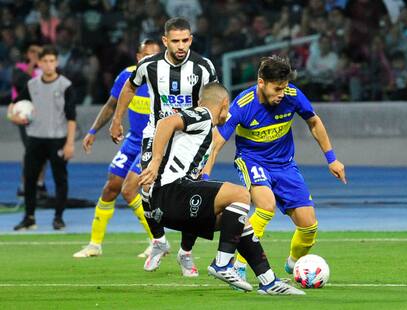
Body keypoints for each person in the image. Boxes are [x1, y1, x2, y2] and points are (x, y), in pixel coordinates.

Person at [138, 82, 304, 295]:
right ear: (225, 104)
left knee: (237, 221)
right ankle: (222, 263)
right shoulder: (204, 115)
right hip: (171, 192)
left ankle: (268, 281)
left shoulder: (204, 131)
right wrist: (154, 162)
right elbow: (166, 122)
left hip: (168, 205)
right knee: (241, 194)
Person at [202, 56, 346, 279]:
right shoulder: (242, 105)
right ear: (261, 82)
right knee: (266, 206)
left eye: (284, 87)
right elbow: (217, 141)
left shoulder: (292, 96)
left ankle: (294, 263)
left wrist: (332, 159)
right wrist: (205, 175)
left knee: (309, 228)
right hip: (252, 161)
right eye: (277, 88)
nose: (281, 93)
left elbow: (314, 122)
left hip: (285, 165)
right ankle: (238, 266)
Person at [109, 17, 218, 277]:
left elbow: (215, 100)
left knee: (193, 193)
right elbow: (129, 87)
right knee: (146, 186)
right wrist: (116, 119)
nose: (181, 46)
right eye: (176, 41)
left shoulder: (204, 67)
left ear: (191, 39)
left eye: (186, 40)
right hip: (156, 132)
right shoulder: (148, 65)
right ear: (165, 41)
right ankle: (158, 241)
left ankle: (186, 253)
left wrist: (212, 133)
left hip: (190, 138)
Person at [73, 39, 161, 259]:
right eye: (147, 55)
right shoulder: (127, 76)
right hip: (133, 140)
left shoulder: (167, 80)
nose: (153, 59)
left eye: (156, 55)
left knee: (129, 190)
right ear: (139, 58)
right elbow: (111, 104)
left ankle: (157, 241)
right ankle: (95, 244)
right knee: (111, 186)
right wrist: (93, 132)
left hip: (154, 142)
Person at [10, 45, 77, 231]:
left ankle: (58, 217)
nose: (48, 65)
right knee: (30, 179)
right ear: (39, 63)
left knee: (59, 180)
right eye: (45, 61)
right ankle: (29, 217)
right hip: (35, 139)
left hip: (58, 139)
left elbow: (72, 118)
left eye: (52, 61)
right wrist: (14, 117)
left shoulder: (66, 86)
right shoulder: (32, 85)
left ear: (56, 62)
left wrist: (70, 143)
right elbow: (14, 106)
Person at [10, 42, 48, 199]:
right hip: (24, 114)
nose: (35, 54)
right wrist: (32, 64)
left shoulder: (45, 70)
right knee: (31, 151)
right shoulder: (19, 68)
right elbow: (24, 83)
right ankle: (25, 185)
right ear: (27, 54)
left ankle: (39, 183)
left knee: (44, 150)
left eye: (38, 52)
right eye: (32, 52)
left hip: (43, 113)